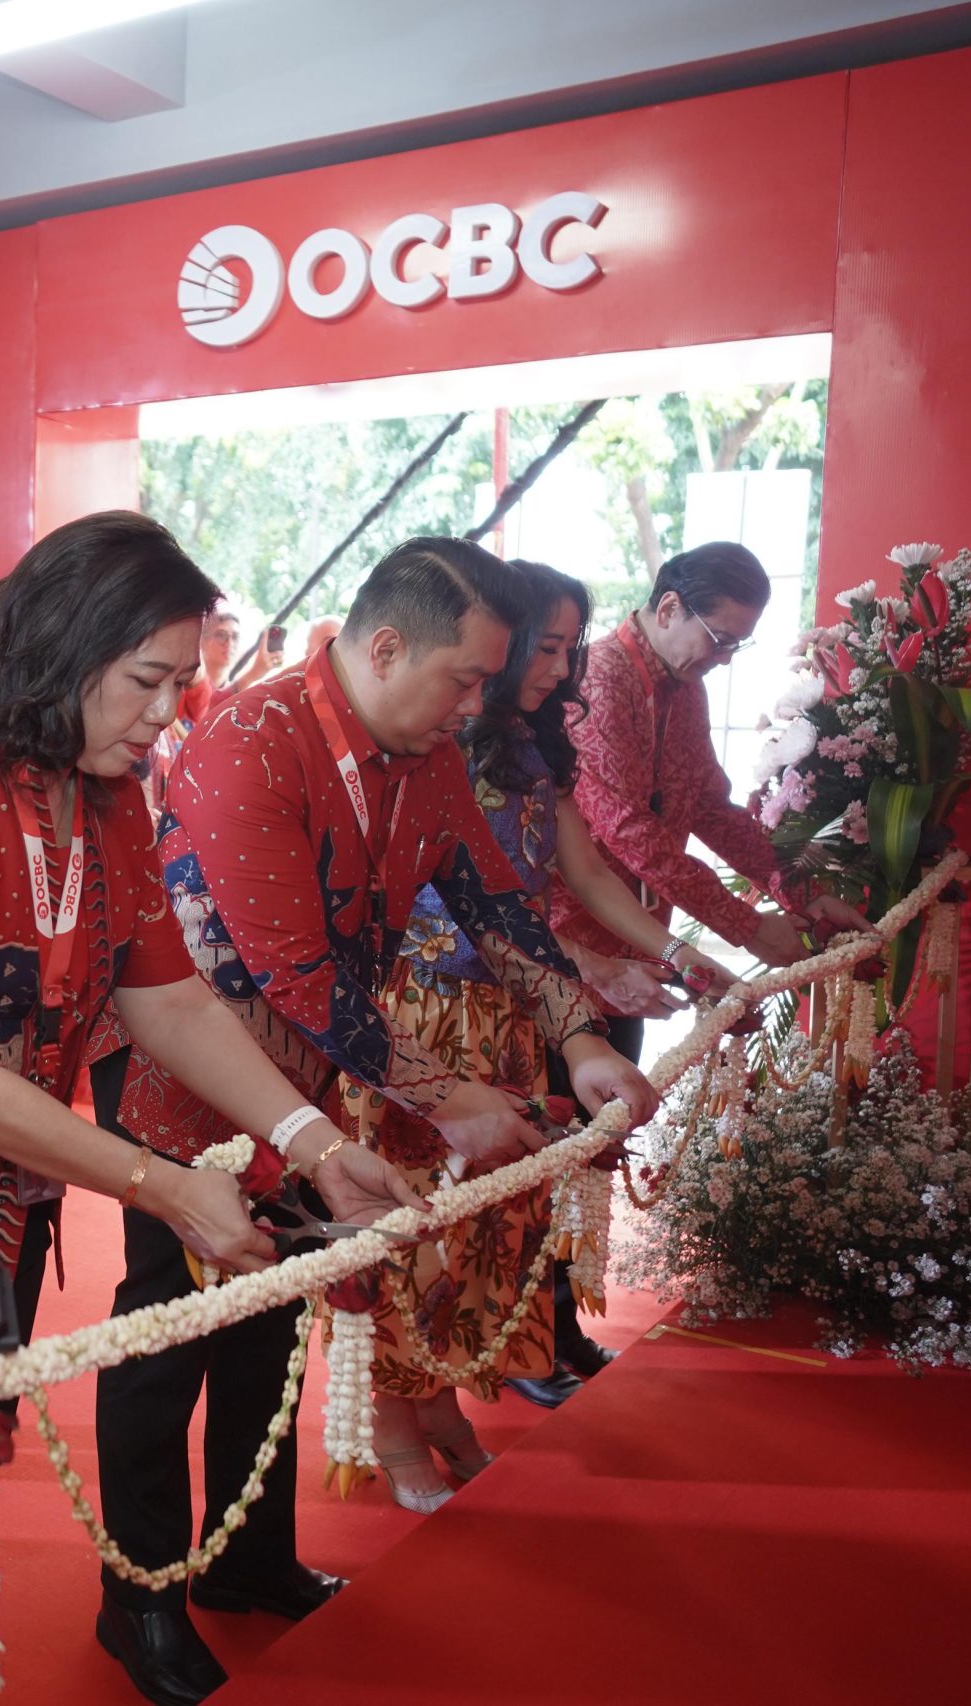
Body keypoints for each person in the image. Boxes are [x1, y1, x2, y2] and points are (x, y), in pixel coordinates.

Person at [0, 511, 418, 1706]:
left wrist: (312, 1143)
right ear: (63, 646)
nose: (167, 709)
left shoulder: (103, 797)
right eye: (147, 678)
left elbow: (169, 999)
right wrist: (164, 1186)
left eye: (180, 680)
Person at [104, 537, 656, 1706]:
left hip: (314, 1088)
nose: (478, 704)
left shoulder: (426, 753)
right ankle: (137, 1596)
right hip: (185, 1085)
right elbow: (296, 970)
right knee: (165, 1334)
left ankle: (248, 1556)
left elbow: (499, 906)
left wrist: (582, 1039)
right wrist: (451, 1098)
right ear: (388, 646)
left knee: (271, 1322)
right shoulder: (251, 740)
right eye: (465, 677)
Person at [361, 560, 735, 1486]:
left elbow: (590, 876)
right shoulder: (434, 745)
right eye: (550, 648)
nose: (562, 669)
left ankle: (438, 1400)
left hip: (518, 1017)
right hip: (428, 1019)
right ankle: (392, 1422)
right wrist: (591, 969)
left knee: (494, 1232)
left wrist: (681, 952)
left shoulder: (532, 747)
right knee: (418, 1234)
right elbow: (446, 907)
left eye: (571, 648)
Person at [552, 541, 873, 1066]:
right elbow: (628, 831)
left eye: (736, 646)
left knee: (619, 1106)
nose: (723, 659)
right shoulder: (601, 678)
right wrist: (747, 927)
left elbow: (709, 807)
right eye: (720, 639)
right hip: (571, 949)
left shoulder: (683, 684)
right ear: (669, 608)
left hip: (643, 950)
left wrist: (802, 894)